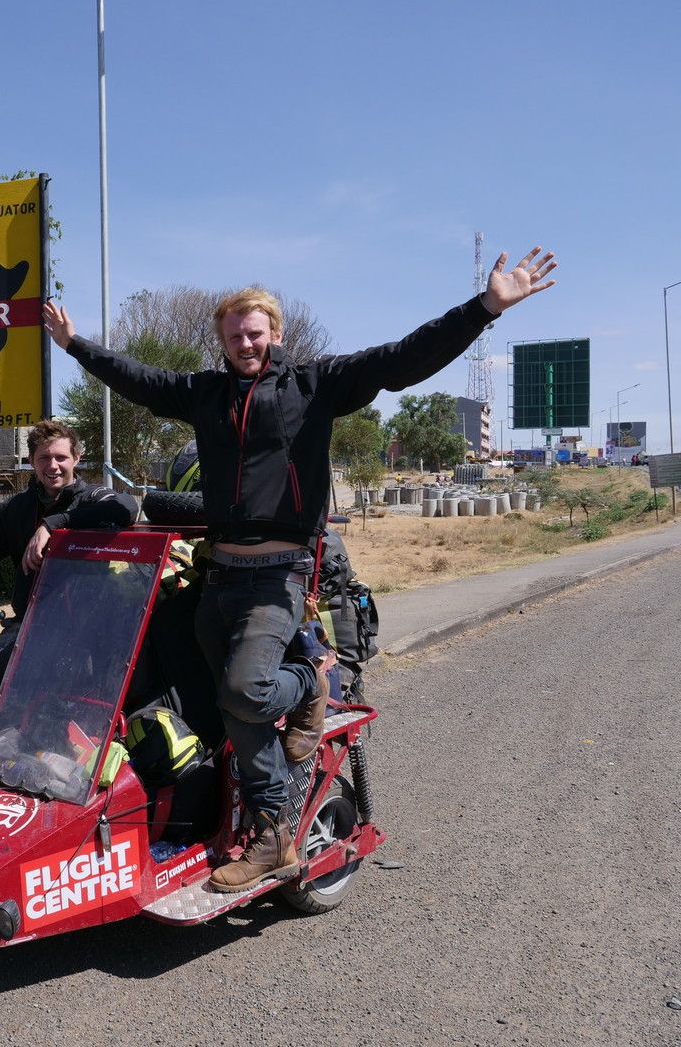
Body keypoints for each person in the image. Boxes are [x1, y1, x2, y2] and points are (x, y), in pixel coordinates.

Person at [44, 247, 556, 891]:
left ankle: (279, 815)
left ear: (275, 334)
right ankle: (215, 809)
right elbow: (137, 379)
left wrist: (485, 308)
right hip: (220, 575)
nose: (245, 344)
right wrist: (73, 344)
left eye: (255, 333)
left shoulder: (314, 385)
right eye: (234, 336)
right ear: (222, 342)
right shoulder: (204, 395)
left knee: (246, 691)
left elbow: (403, 359)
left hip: (280, 575)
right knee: (209, 701)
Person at [0, 418, 139, 728]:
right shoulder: (17, 508)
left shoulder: (91, 498)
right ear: (32, 461)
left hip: (82, 635)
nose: (53, 466)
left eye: (61, 457)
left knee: (56, 716)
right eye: (44, 458)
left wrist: (54, 524)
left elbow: (128, 508)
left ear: (76, 458)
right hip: (30, 628)